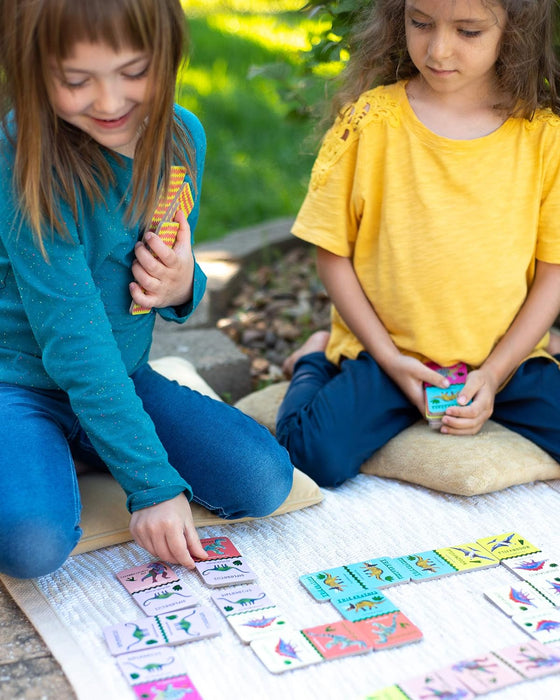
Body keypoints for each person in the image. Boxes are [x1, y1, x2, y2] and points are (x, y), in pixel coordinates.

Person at [0, 0, 294, 580]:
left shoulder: (183, 140)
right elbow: (74, 345)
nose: (109, 103)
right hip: (21, 383)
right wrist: (152, 486)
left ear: (168, 53)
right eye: (76, 81)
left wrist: (185, 283)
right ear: (35, 73)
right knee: (31, 544)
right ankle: (62, 447)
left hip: (125, 373)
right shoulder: (23, 160)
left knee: (263, 480)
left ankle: (91, 441)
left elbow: (161, 262)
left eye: (133, 72)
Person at [276, 0, 560, 488]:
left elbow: (553, 271)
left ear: (512, 32)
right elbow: (333, 254)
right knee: (312, 455)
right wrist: (388, 359)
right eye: (420, 23)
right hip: (389, 355)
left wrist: (493, 374)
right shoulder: (369, 122)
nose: (439, 49)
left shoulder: (545, 136)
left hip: (506, 360)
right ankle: (313, 357)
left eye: (468, 31)